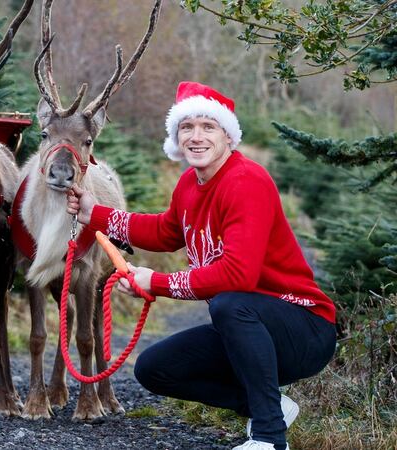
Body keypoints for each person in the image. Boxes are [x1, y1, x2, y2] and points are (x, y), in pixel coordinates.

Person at [67, 81, 336, 450]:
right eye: (186, 127)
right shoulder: (190, 184)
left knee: (230, 303)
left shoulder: (246, 182)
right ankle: (267, 406)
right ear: (176, 136)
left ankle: (270, 438)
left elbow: (239, 275)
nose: (196, 137)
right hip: (244, 327)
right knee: (154, 369)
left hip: (304, 328)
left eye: (208, 127)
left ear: (228, 135)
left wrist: (156, 281)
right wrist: (93, 214)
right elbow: (165, 231)